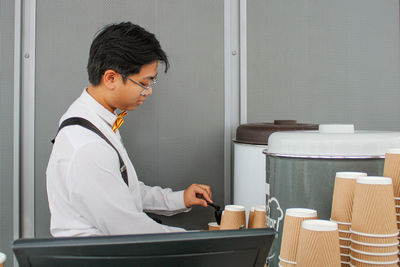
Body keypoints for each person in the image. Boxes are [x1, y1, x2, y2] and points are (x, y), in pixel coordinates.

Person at [46, 22, 213, 237]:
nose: (148, 91)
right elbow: (131, 230)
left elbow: (123, 190)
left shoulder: (96, 120)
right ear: (111, 78)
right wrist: (206, 240)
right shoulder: (89, 146)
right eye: (144, 82)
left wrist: (178, 199)